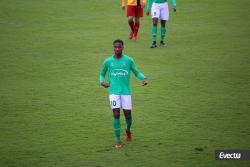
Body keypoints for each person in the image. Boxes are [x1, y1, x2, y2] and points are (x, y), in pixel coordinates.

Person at [99, 39, 148, 149]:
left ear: (123, 47)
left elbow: (136, 72)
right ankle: (118, 140)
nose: (117, 49)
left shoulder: (129, 60)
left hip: (126, 92)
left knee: (128, 115)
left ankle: (128, 130)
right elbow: (101, 74)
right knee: (116, 114)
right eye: (115, 47)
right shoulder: (107, 61)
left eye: (119, 47)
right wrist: (102, 82)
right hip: (113, 93)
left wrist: (144, 78)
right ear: (113, 48)